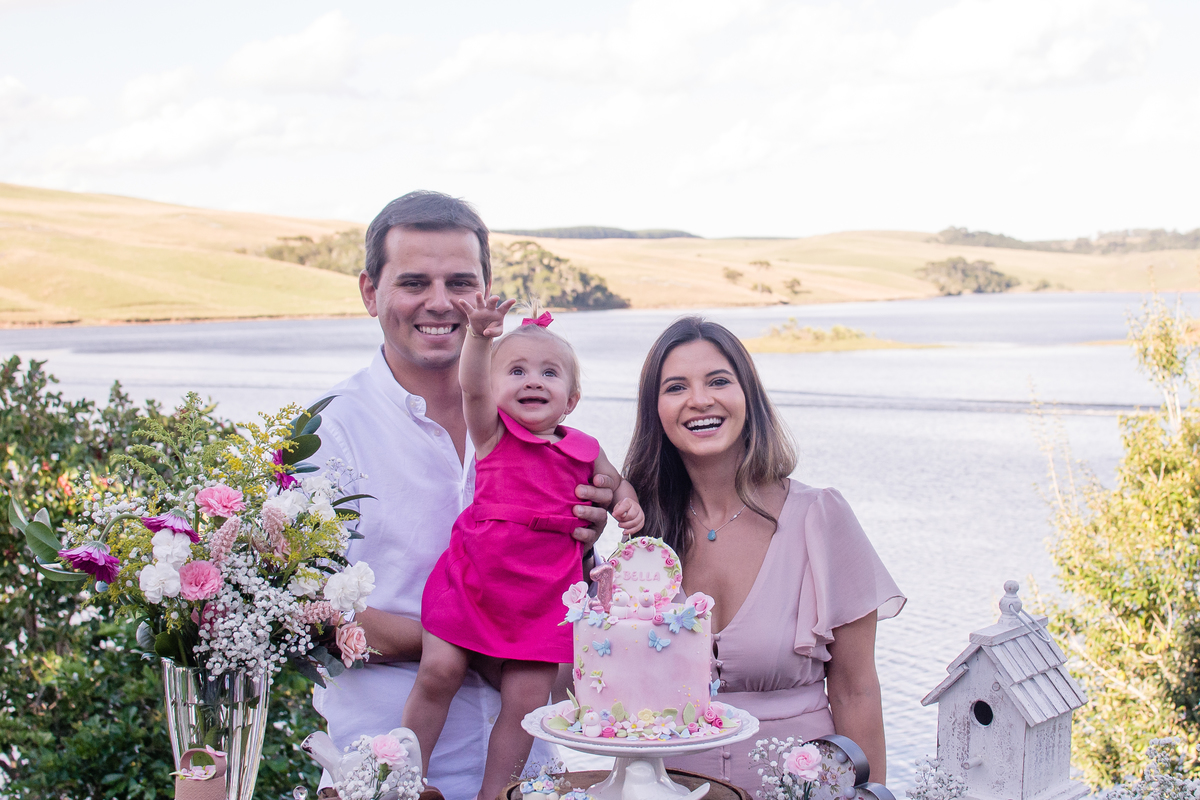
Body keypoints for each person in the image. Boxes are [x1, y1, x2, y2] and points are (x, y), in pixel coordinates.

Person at [310, 191, 613, 800]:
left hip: (529, 778)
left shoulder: (548, 427)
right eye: (413, 282)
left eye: (460, 283)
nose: (440, 302)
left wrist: (584, 546)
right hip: (379, 777)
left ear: (487, 292)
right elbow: (306, 613)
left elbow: (574, 617)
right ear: (369, 292)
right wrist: (476, 640)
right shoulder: (326, 433)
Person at [622, 316, 904, 791]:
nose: (700, 400)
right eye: (676, 387)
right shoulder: (643, 534)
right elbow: (599, 683)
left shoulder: (820, 517)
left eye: (718, 381)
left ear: (748, 397)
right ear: (656, 411)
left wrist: (871, 796)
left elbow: (856, 691)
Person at [404, 295, 644, 800]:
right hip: (474, 580)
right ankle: (402, 779)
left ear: (571, 399)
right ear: (493, 390)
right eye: (515, 371)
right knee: (440, 670)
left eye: (548, 373)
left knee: (527, 699)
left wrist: (628, 503)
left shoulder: (584, 449)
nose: (533, 380)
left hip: (543, 594)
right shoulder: (492, 434)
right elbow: (470, 385)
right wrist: (479, 337)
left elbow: (616, 483)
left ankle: (495, 794)